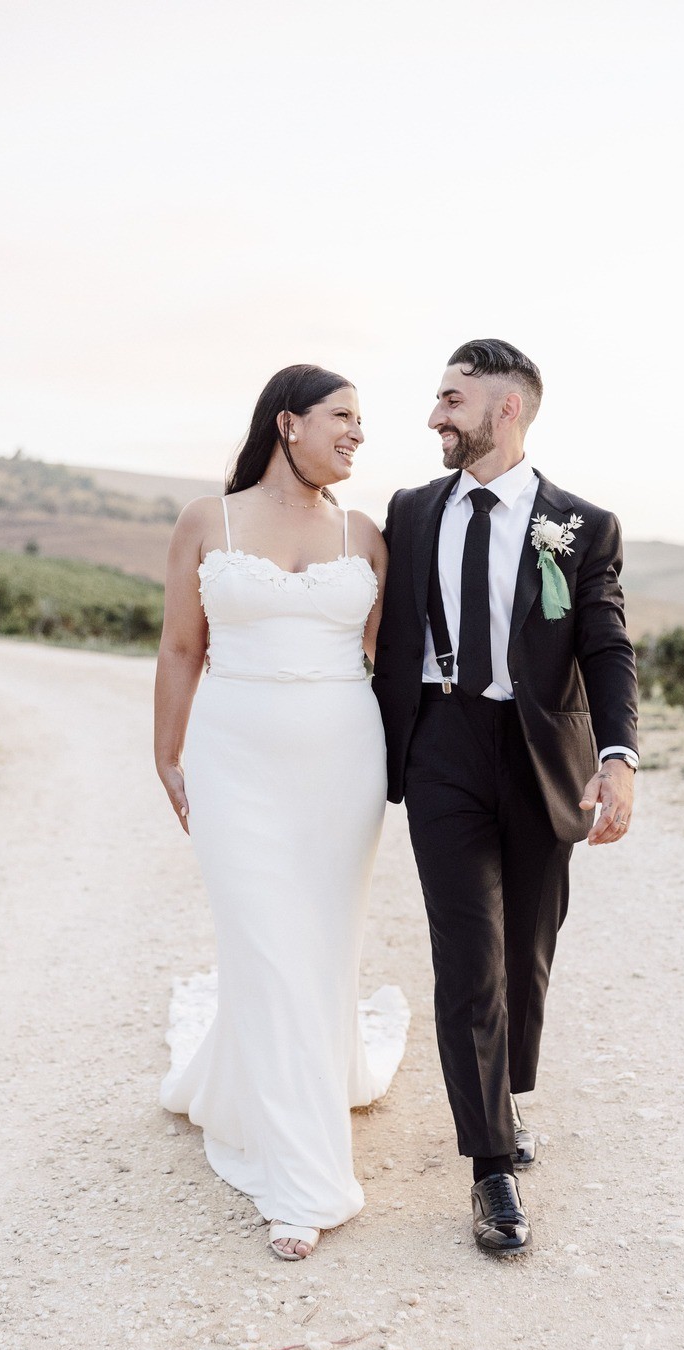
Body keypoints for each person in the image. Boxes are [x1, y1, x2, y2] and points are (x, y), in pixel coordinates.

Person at [372, 339, 639, 1256]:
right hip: (441, 744)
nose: (435, 416)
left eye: (452, 399)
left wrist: (619, 757)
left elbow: (605, 644)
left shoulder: (581, 525)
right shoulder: (410, 512)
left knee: (527, 948)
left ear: (507, 408)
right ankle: (490, 1164)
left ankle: (507, 1091)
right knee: (469, 958)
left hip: (540, 755)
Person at [154, 364, 405, 1261]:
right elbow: (181, 647)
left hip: (343, 764)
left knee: (323, 946)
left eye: (361, 421)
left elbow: (391, 659)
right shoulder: (207, 522)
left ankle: (297, 1085)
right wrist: (166, 755)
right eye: (343, 416)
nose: (358, 433)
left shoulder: (364, 534)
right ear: (289, 423)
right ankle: (305, 1184)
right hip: (235, 762)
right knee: (264, 943)